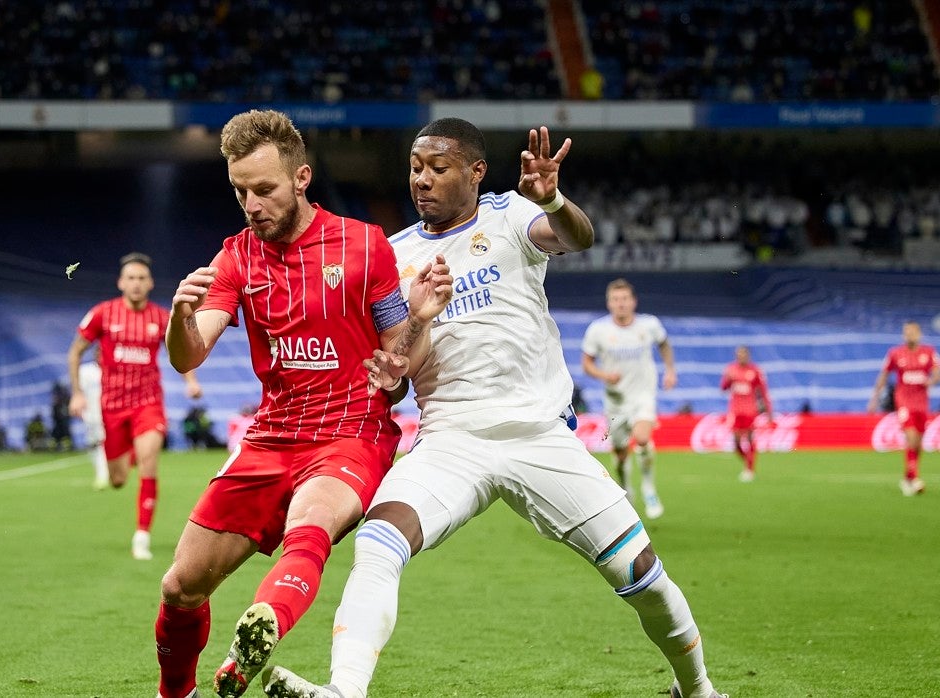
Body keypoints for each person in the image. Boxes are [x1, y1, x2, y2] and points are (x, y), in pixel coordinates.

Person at [263, 119, 724, 698]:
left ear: (476, 171)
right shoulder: (393, 255)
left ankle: (700, 690)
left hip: (539, 435)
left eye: (438, 167)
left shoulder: (510, 217)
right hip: (450, 439)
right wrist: (392, 366)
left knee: (642, 576)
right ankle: (345, 691)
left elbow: (576, 237)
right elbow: (397, 378)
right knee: (378, 542)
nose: (421, 180)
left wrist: (552, 196)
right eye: (414, 167)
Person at [155, 109, 451, 698]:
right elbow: (189, 356)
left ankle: (260, 626)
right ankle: (176, 694)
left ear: (301, 178)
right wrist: (179, 317)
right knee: (180, 588)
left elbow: (396, 359)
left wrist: (417, 320)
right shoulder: (236, 256)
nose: (252, 204)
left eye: (264, 189)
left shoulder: (363, 245)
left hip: (351, 432)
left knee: (309, 525)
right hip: (270, 439)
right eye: (240, 191)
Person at [66, 252, 204, 561]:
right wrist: (76, 394)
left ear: (150, 283)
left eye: (142, 278)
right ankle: (120, 455)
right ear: (121, 282)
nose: (136, 283)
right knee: (117, 481)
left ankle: (141, 536)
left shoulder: (161, 317)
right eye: (131, 278)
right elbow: (75, 352)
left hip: (148, 404)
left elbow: (180, 350)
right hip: (112, 406)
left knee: (149, 460)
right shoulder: (103, 313)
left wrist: (190, 381)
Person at [581, 278, 677, 519]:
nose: (620, 304)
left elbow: (664, 344)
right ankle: (627, 487)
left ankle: (649, 488)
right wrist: (604, 375)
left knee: (643, 438)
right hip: (615, 401)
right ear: (609, 303)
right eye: (615, 299)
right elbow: (587, 364)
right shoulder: (598, 330)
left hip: (643, 394)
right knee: (620, 452)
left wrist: (670, 370)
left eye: (624, 299)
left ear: (633, 302)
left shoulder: (649, 325)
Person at [868, 321, 939, 496]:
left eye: (913, 332)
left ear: (919, 334)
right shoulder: (895, 353)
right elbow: (884, 375)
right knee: (911, 437)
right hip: (904, 401)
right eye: (906, 332)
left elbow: (937, 370)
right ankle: (914, 479)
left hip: (921, 402)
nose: (910, 335)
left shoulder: (928, 352)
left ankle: (908, 477)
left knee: (919, 443)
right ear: (903, 335)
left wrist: (931, 381)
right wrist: (874, 398)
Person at [720, 345, 773, 482]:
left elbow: (763, 392)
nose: (741, 356)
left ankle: (749, 469)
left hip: (750, 411)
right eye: (739, 354)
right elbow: (723, 388)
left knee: (749, 440)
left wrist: (768, 412)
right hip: (735, 411)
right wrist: (728, 379)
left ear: (748, 355)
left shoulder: (755, 371)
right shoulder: (731, 370)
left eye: (743, 353)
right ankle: (747, 462)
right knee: (736, 443)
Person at [76, 355, 109, 489]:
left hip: (107, 414)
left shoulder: (112, 370)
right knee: (92, 445)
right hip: (90, 416)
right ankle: (100, 471)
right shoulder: (86, 371)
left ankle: (103, 476)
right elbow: (79, 392)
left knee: (102, 444)